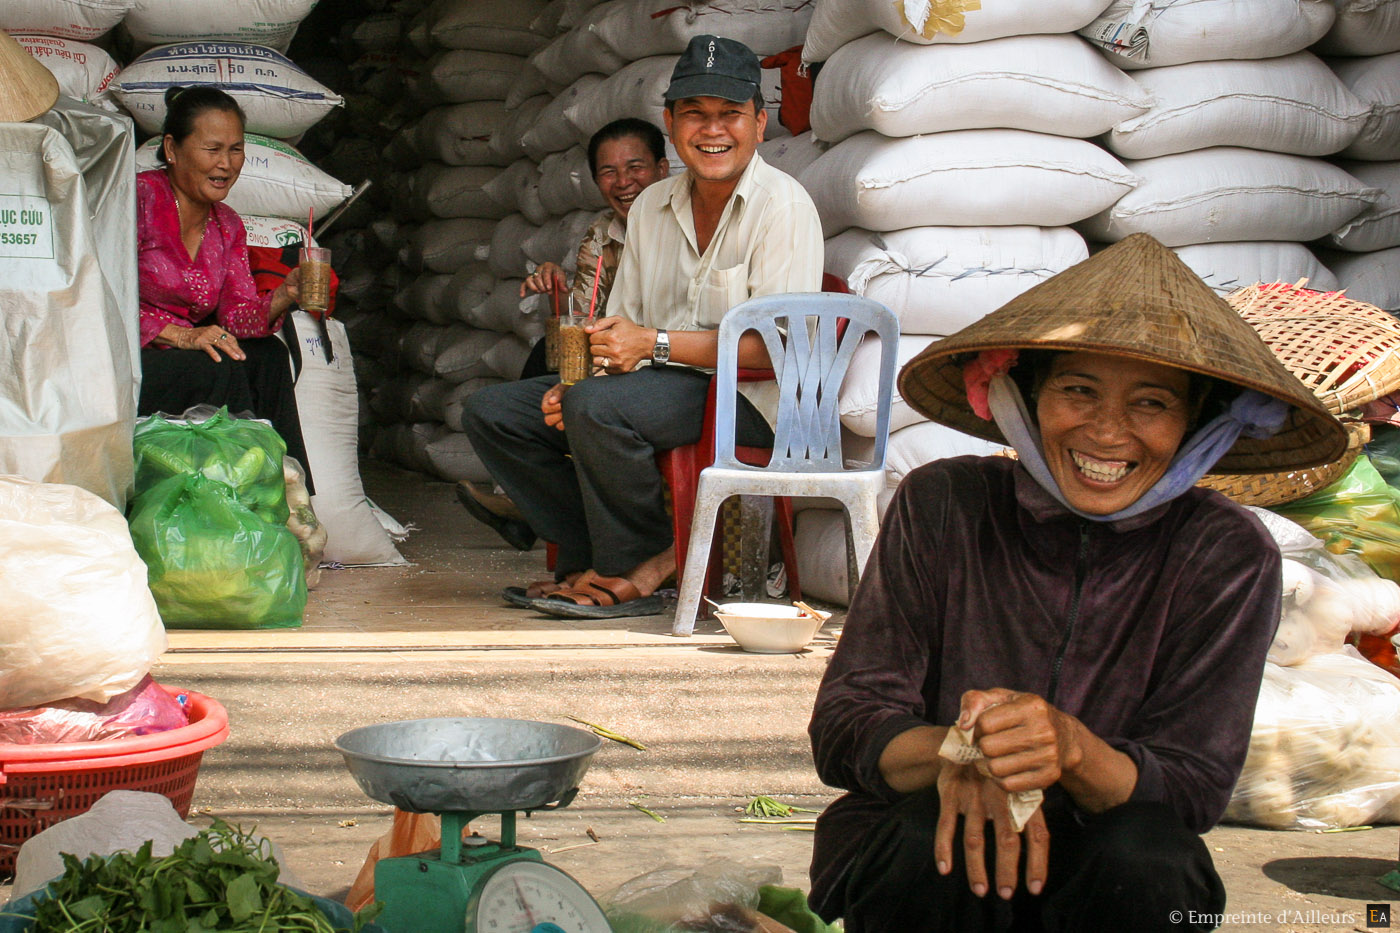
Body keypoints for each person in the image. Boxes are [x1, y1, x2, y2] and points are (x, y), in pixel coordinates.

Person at [806, 234, 1347, 932]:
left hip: (1099, 872)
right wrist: (962, 750)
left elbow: (1191, 788)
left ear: (1195, 425)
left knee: (1154, 856)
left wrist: (1067, 748)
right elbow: (847, 725)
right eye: (1078, 390)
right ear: (1025, 397)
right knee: (923, 829)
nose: (1108, 431)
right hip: (934, 860)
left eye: (1150, 403)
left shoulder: (1227, 554)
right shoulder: (942, 503)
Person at [463, 34, 822, 618]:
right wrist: (579, 383)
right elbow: (617, 330)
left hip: (749, 397)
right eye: (694, 115)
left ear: (759, 124)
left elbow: (772, 352)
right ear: (671, 123)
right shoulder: (653, 207)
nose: (713, 131)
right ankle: (583, 554)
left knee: (599, 410)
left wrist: (646, 349)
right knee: (498, 414)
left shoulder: (781, 206)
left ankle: (639, 565)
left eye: (730, 114)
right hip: (659, 386)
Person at [457, 118, 670, 549]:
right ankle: (540, 510)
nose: (624, 182)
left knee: (576, 392)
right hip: (610, 357)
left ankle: (551, 521)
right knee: (541, 361)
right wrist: (559, 292)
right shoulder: (603, 234)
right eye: (608, 172)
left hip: (665, 366)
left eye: (636, 168)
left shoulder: (684, 226)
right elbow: (585, 314)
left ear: (663, 169)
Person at [136, 85, 314, 488]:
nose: (226, 164)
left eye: (235, 150)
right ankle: (241, 490)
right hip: (129, 354)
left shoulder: (227, 223)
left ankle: (292, 491)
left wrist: (284, 294)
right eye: (212, 149)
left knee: (267, 355)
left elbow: (237, 315)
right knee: (217, 361)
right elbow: (101, 294)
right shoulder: (139, 199)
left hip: (193, 351)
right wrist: (181, 335)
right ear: (171, 148)